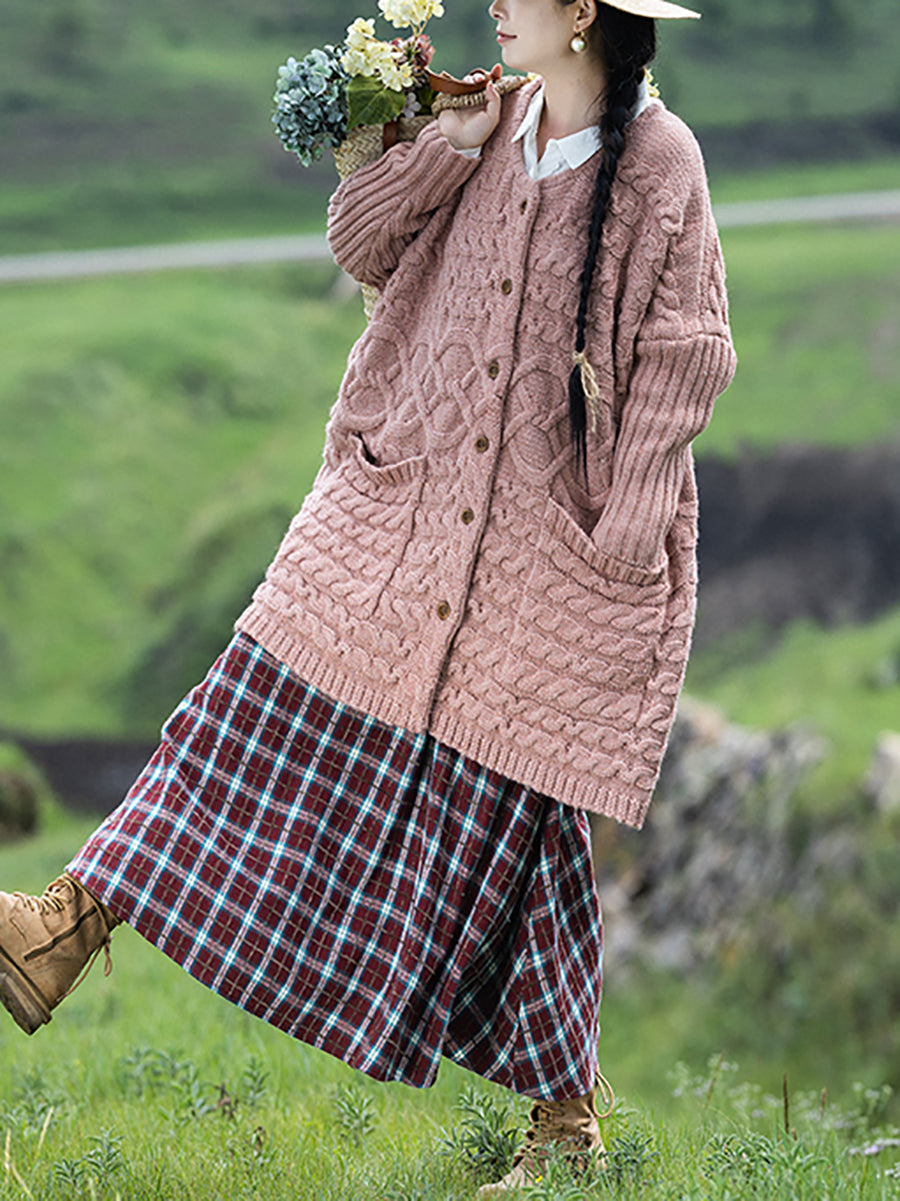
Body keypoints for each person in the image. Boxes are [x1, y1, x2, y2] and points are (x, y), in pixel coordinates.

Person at [0, 0, 735, 1190]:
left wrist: (622, 533)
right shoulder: (483, 120)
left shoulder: (662, 161)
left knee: (521, 820)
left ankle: (567, 1129)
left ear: (583, 14)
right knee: (248, 707)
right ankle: (61, 929)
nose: (496, 5)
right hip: (394, 508)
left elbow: (686, 353)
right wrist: (440, 150)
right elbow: (361, 243)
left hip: (552, 554)